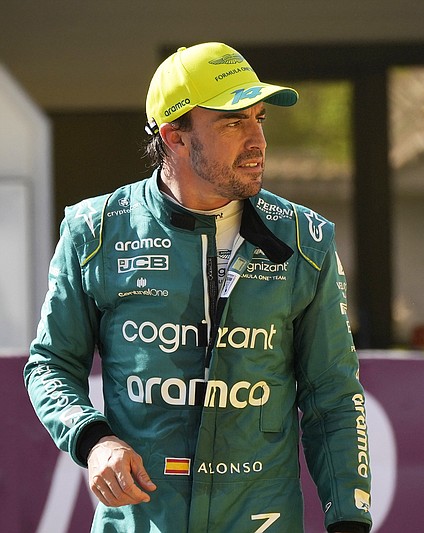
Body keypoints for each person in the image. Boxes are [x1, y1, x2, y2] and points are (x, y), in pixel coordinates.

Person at [23, 42, 372, 533]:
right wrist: (94, 439)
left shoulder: (305, 238)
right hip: (142, 520)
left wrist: (350, 519)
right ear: (175, 136)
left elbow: (332, 395)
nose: (257, 141)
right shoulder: (94, 230)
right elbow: (51, 365)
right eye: (233, 122)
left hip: (261, 519)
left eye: (259, 119)